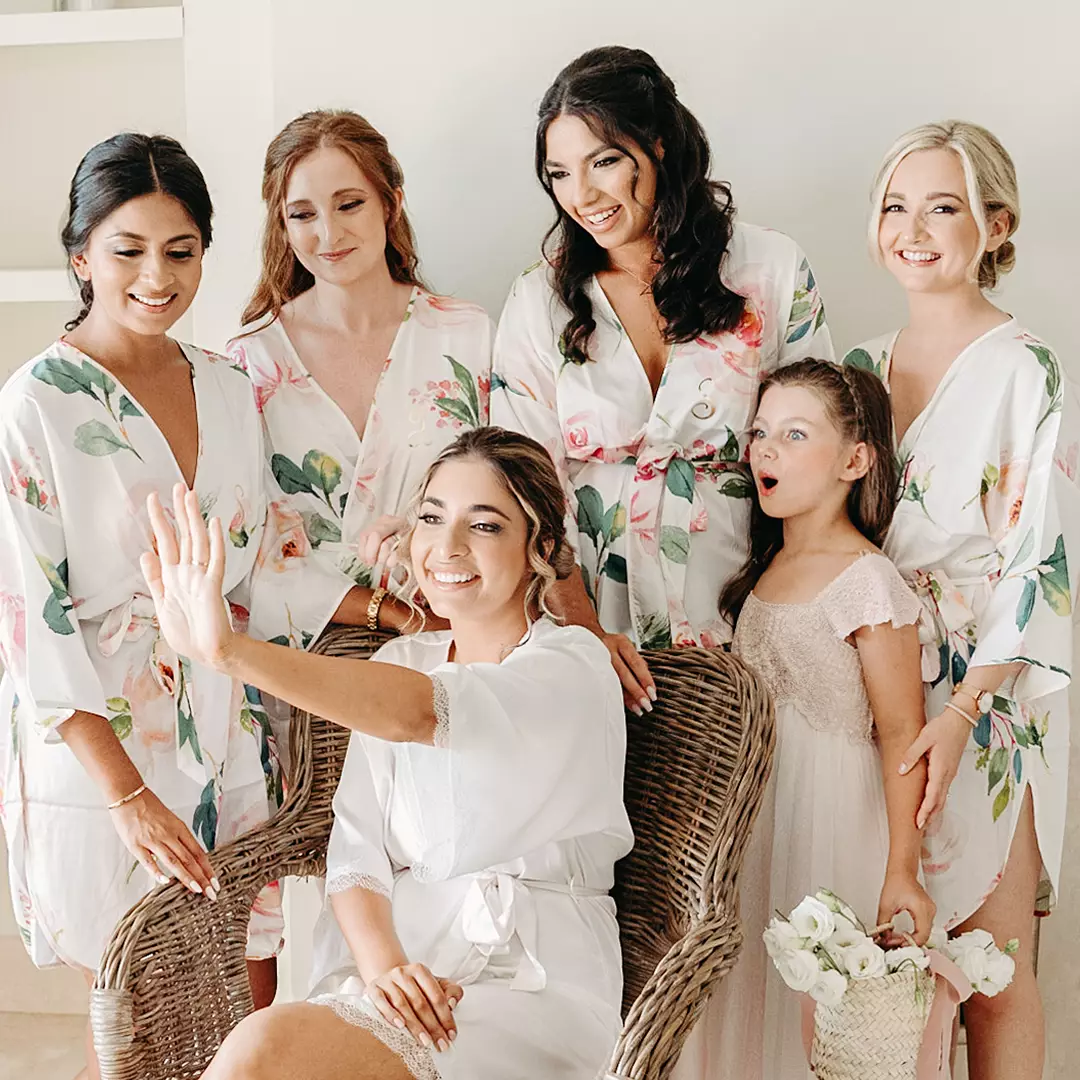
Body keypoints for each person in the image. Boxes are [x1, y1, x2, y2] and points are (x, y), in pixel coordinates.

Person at [139, 427, 634, 1080]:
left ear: (539, 546)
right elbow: (356, 854)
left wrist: (228, 653)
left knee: (262, 1052)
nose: (447, 547)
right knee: (263, 1049)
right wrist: (385, 968)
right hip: (405, 966)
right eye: (432, 517)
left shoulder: (573, 665)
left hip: (537, 984)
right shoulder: (400, 657)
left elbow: (421, 711)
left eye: (484, 526)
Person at [0, 133, 332, 1079]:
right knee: (138, 1001)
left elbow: (270, 553)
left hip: (229, 718)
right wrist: (128, 795)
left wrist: (396, 607)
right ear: (80, 257)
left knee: (248, 976)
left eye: (181, 251)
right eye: (128, 249)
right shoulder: (35, 406)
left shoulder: (227, 384)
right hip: (107, 741)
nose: (157, 275)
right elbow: (30, 619)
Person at [491, 45, 833, 715]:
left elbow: (817, 456)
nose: (581, 195)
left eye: (605, 162)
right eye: (559, 173)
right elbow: (521, 486)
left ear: (658, 146)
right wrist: (586, 639)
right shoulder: (539, 302)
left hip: (750, 610)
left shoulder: (770, 270)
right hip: (590, 622)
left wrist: (795, 609)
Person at [843, 120, 1080, 1080]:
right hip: (868, 681)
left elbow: (1042, 561)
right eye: (896, 206)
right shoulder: (856, 365)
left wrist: (966, 709)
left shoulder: (1025, 367)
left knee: (991, 964)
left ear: (996, 222)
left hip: (981, 693)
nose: (915, 228)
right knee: (881, 968)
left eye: (944, 206)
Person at [707, 359, 934, 1079]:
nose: (766, 449)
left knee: (813, 1024)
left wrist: (902, 868)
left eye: (794, 434)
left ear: (855, 459)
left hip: (830, 819)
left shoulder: (866, 579)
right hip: (755, 823)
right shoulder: (761, 569)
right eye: (760, 432)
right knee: (741, 1008)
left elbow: (902, 733)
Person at [228, 109, 493, 661]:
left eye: (349, 204)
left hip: (453, 642)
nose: (329, 233)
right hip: (307, 663)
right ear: (282, 226)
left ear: (390, 203)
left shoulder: (466, 336)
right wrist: (384, 612)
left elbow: (510, 494)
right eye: (303, 214)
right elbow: (244, 540)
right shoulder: (250, 362)